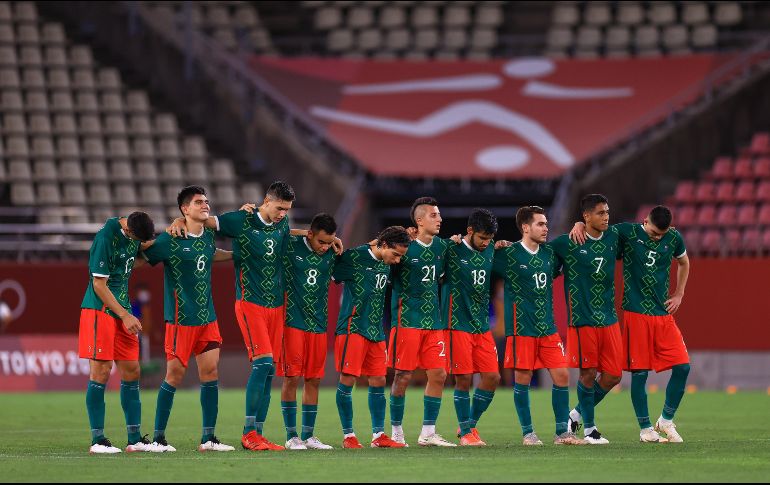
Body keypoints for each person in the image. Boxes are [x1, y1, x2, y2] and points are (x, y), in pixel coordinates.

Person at [570, 205, 690, 443]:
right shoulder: (627, 232)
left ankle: (666, 420)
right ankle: (645, 429)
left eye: (662, 234)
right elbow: (598, 230)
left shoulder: (674, 237)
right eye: (654, 233)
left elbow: (684, 262)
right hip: (636, 313)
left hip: (663, 314)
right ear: (645, 221)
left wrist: (679, 294)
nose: (657, 238)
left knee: (683, 367)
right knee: (640, 374)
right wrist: (580, 224)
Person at [143, 186, 235, 452]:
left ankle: (208, 438)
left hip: (208, 318)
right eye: (198, 202)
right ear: (185, 209)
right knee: (174, 375)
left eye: (206, 201)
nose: (205, 205)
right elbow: (144, 255)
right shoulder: (170, 239)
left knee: (210, 373)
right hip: (180, 320)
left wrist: (236, 256)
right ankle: (158, 439)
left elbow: (211, 253)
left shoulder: (207, 235)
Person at [493, 206, 583, 446]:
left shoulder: (550, 254)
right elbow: (480, 258)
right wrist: (494, 245)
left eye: (546, 224)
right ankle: (528, 433)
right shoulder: (509, 253)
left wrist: (579, 224)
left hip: (548, 328)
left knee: (562, 375)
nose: (545, 228)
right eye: (540, 224)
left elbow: (573, 241)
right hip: (521, 329)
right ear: (525, 227)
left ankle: (562, 433)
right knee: (523, 379)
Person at [78, 211, 157, 454]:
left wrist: (176, 227)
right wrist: (124, 315)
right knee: (101, 371)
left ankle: (134, 439)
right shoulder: (105, 238)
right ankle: (97, 440)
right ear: (129, 231)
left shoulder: (134, 232)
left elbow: (142, 252)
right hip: (100, 310)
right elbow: (98, 285)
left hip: (122, 310)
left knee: (132, 370)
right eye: (137, 240)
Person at [550, 194, 622, 445]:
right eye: (601, 213)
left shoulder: (614, 236)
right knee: (588, 374)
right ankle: (590, 430)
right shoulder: (567, 243)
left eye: (607, 212)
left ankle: (576, 414)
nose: (606, 217)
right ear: (586, 216)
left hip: (609, 319)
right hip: (582, 320)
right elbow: (538, 253)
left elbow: (645, 231)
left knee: (613, 375)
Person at [333, 226, 411, 449]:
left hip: (376, 331)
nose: (397, 261)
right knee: (348, 381)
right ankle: (349, 436)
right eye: (395, 254)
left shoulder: (386, 260)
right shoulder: (354, 257)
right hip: (352, 328)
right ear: (383, 245)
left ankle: (379, 435)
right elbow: (329, 271)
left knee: (378, 380)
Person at [387, 197, 456, 447]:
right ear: (419, 221)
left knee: (439, 374)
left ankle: (428, 433)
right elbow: (382, 256)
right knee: (403, 376)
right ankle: (396, 431)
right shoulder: (403, 248)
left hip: (434, 323)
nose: (440, 219)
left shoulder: (443, 247)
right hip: (407, 320)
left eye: (439, 215)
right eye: (434, 215)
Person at [278, 213, 339, 450]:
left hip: (319, 325)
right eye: (321, 241)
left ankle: (308, 435)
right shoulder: (292, 246)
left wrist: (333, 242)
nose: (325, 247)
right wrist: (303, 232)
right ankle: (291, 435)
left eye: (329, 242)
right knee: (292, 377)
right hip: (293, 322)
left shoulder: (333, 253)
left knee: (313, 379)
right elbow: (278, 233)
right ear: (310, 234)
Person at [442, 209, 501, 446]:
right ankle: (466, 434)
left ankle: (469, 424)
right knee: (464, 378)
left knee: (492, 377)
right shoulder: (452, 249)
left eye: (490, 238)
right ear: (469, 231)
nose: (486, 242)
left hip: (482, 326)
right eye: (482, 238)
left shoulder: (491, 249)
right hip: (457, 324)